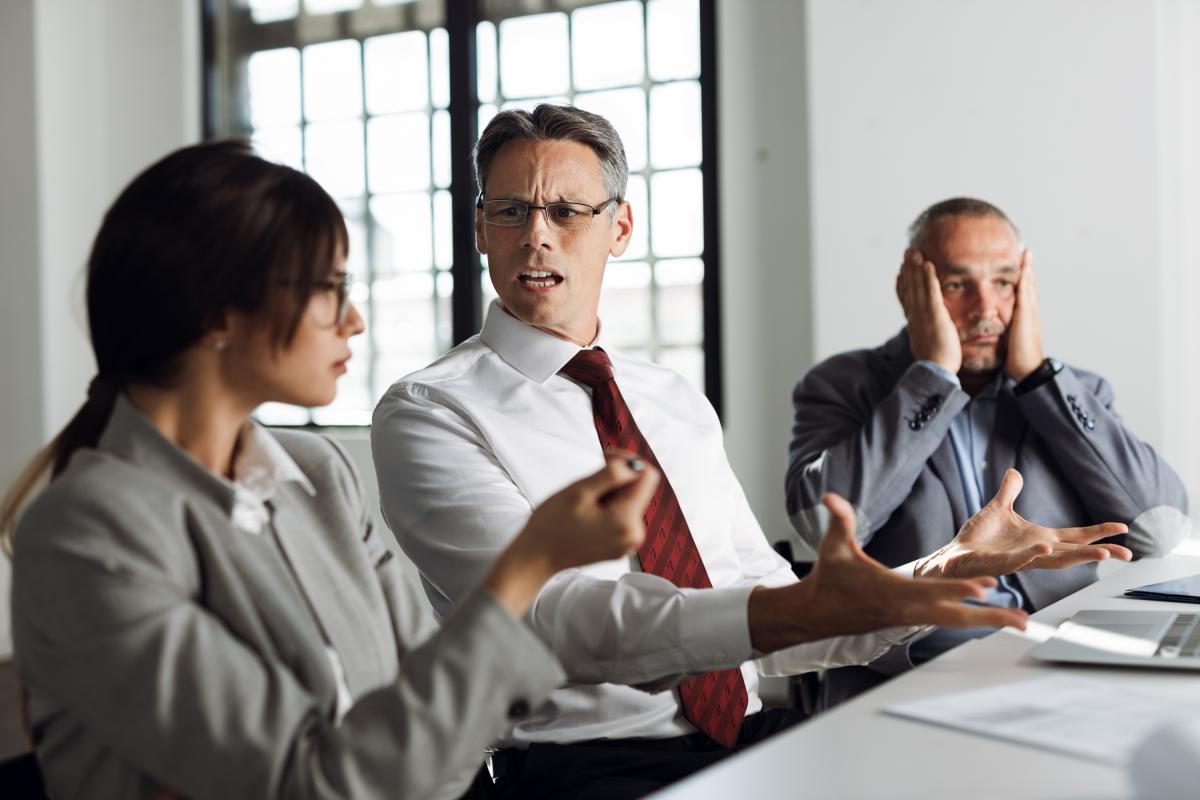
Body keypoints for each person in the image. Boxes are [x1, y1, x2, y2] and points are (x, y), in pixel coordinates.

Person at [371, 106, 1130, 798]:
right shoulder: (432, 411)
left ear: (621, 227)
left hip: (746, 736)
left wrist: (938, 570)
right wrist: (787, 609)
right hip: (584, 765)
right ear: (479, 229)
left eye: (567, 210)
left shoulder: (670, 400)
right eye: (511, 211)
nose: (538, 234)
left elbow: (772, 605)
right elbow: (554, 619)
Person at [0, 140, 666, 800]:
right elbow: (323, 785)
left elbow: (438, 758)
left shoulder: (319, 477)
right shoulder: (84, 533)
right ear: (215, 314)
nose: (353, 321)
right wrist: (529, 563)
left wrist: (402, 739)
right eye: (327, 290)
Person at [785, 197, 1189, 709]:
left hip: (1064, 667)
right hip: (903, 680)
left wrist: (1039, 378)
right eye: (957, 285)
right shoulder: (842, 385)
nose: (985, 309)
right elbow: (823, 528)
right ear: (911, 290)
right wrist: (932, 375)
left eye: (1003, 283)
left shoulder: (1074, 393)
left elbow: (1160, 529)